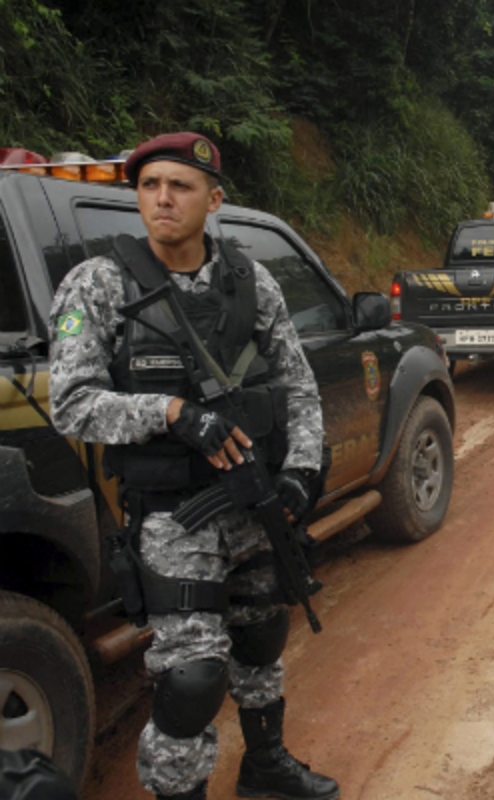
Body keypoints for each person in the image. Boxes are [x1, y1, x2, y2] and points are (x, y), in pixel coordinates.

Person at [48, 133, 338, 800]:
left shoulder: (248, 280)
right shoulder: (98, 285)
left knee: (263, 635)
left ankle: (265, 766)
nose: (162, 199)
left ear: (214, 200)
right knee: (193, 678)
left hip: (256, 501)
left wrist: (300, 469)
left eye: (178, 186)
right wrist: (173, 413)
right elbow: (73, 405)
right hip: (172, 518)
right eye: (149, 186)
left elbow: (298, 384)